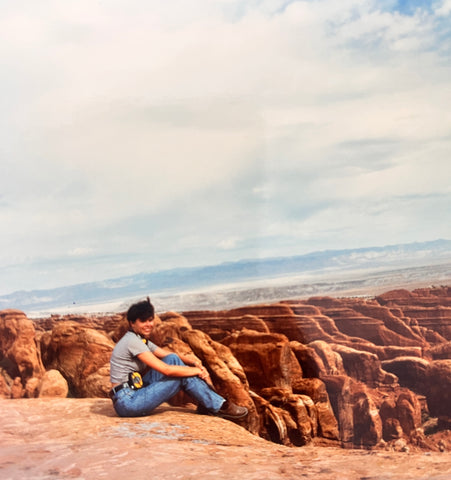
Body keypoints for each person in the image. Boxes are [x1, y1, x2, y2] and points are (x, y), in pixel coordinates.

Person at [109, 297, 248, 420]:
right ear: (132, 323)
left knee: (173, 359)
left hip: (135, 392)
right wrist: (196, 371)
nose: (149, 324)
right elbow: (166, 370)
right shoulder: (132, 342)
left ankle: (208, 403)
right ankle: (218, 406)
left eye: (150, 320)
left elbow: (167, 355)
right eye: (143, 321)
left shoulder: (139, 339)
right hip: (128, 401)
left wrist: (195, 362)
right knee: (179, 376)